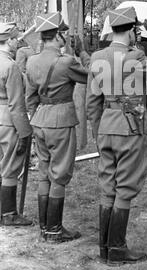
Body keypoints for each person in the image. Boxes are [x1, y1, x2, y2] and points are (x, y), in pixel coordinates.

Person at [86, 6, 147, 266]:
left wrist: (99, 131)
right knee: (124, 188)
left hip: (106, 126)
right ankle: (117, 249)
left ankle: (105, 249)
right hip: (130, 128)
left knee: (108, 186)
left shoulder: (97, 57)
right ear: (132, 31)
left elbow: (92, 102)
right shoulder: (135, 57)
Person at [25, 12, 88, 243]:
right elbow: (89, 76)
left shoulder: (31, 61)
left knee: (44, 172)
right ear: (59, 35)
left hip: (40, 120)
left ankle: (44, 228)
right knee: (59, 174)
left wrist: (35, 116)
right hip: (61, 120)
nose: (67, 37)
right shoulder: (66, 62)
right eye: (65, 33)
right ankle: (54, 230)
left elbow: (30, 96)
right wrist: (81, 52)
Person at [0, 22, 33, 226]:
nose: (17, 42)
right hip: (8, 119)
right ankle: (9, 213)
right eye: (15, 39)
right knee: (11, 166)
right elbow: (16, 102)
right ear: (9, 40)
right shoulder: (10, 65)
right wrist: (24, 131)